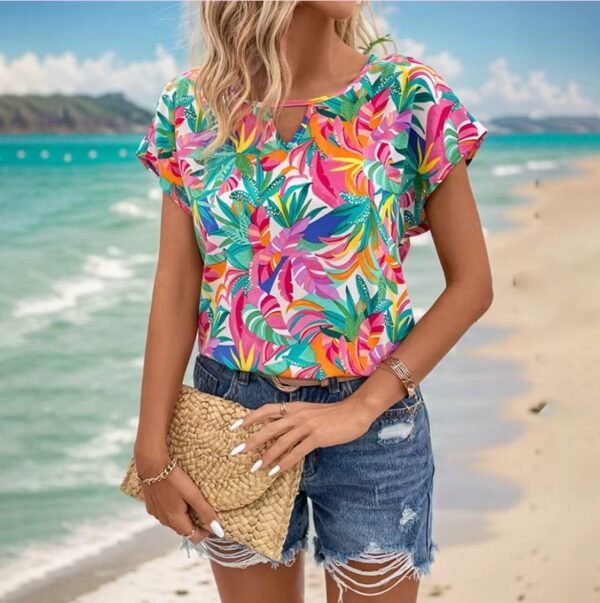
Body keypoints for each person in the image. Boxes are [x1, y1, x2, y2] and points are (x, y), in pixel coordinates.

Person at [132, 1, 492, 602]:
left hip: (374, 429)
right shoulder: (191, 107)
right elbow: (174, 290)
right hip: (235, 421)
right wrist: (151, 449)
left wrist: (361, 407)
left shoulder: (409, 97)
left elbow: (473, 284)